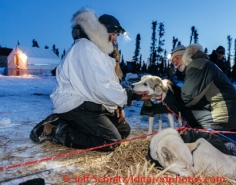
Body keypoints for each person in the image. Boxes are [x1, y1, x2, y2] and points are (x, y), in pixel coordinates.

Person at [30, 7, 150, 151]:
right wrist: (130, 96)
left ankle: (66, 123)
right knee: (110, 141)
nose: (116, 38)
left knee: (123, 131)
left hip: (91, 104)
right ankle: (56, 130)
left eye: (117, 35)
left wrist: (117, 106)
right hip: (74, 104)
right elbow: (99, 87)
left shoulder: (101, 53)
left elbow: (110, 84)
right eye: (113, 34)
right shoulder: (85, 48)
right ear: (103, 30)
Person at [169, 43, 236, 149]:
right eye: (173, 62)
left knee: (206, 146)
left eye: (177, 58)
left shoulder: (198, 64)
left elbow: (187, 98)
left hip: (222, 114)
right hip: (224, 112)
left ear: (185, 54)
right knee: (188, 133)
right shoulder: (202, 64)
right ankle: (232, 133)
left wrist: (168, 92)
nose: (175, 63)